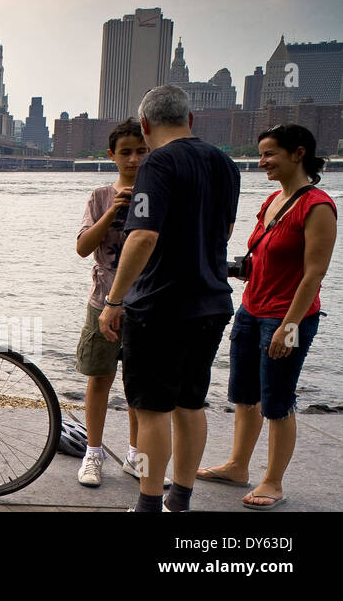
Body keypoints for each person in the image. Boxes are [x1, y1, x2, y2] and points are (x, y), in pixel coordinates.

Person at [98, 86, 239, 513]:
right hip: (211, 302)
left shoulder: (157, 163)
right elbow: (227, 231)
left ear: (145, 125)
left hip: (159, 306)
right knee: (191, 404)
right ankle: (180, 499)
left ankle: (148, 503)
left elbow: (141, 236)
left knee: (153, 408)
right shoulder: (225, 164)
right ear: (190, 120)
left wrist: (115, 300)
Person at [198, 124, 335, 510]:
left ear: (298, 153)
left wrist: (289, 327)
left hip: (286, 317)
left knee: (277, 401)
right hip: (251, 309)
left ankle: (272, 482)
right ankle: (238, 466)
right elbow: (262, 257)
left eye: (270, 153)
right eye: (261, 154)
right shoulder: (273, 202)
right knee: (243, 396)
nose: (262, 162)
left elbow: (314, 274)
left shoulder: (317, 206)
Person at [73, 119, 149, 487]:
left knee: (139, 383)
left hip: (145, 300)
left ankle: (137, 454)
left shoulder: (159, 192)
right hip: (102, 298)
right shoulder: (100, 195)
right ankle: (93, 452)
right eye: (126, 152)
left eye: (141, 150)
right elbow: (83, 247)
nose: (134, 159)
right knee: (99, 378)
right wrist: (112, 212)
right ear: (112, 156)